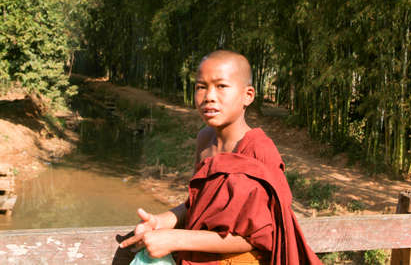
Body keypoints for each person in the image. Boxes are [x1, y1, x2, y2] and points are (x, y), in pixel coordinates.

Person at [119, 50, 322, 265]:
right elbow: (198, 205)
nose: (209, 97)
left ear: (248, 95)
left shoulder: (259, 150)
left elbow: (258, 237)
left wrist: (177, 238)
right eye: (201, 87)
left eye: (221, 86)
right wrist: (163, 221)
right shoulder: (205, 140)